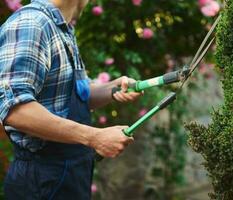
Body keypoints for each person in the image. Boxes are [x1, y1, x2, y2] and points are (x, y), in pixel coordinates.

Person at [0, 0, 142, 199]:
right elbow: (15, 110)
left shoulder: (61, 29)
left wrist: (113, 88)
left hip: (70, 175)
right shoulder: (32, 24)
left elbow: (75, 95)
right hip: (42, 181)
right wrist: (95, 137)